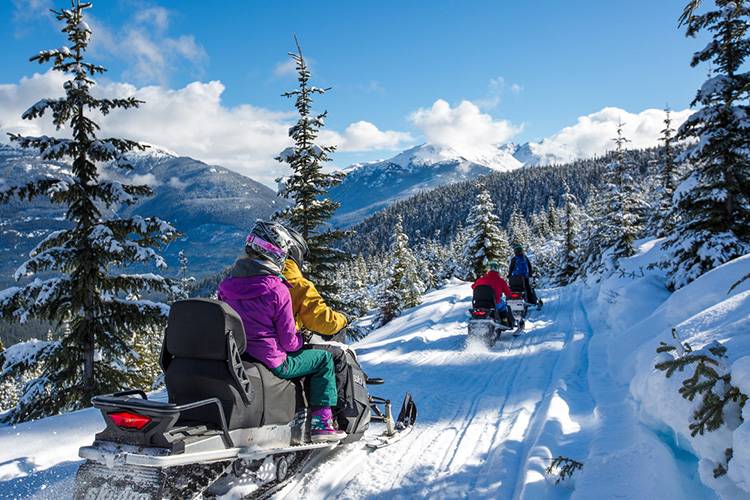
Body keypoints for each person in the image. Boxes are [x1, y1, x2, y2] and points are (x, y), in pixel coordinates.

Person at [217, 221, 345, 443]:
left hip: (239, 356)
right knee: (323, 360)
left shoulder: (226, 286)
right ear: (278, 252)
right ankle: (321, 422)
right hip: (273, 361)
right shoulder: (278, 288)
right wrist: (301, 339)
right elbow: (288, 342)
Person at [472, 261, 515, 328]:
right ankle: (505, 322)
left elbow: (473, 286)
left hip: (480, 303)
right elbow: (507, 292)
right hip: (495, 302)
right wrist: (510, 296)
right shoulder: (501, 281)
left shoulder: (482, 279)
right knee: (504, 307)